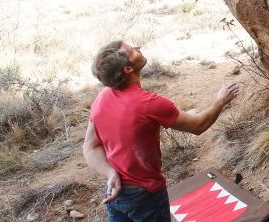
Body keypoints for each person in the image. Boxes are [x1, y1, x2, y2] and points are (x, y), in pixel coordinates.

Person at [83, 40, 240, 221]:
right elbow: (199, 126)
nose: (138, 48)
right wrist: (220, 101)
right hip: (145, 195)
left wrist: (110, 173)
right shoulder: (150, 103)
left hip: (114, 191)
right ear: (127, 69)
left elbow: (90, 147)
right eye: (132, 50)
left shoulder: (102, 98)